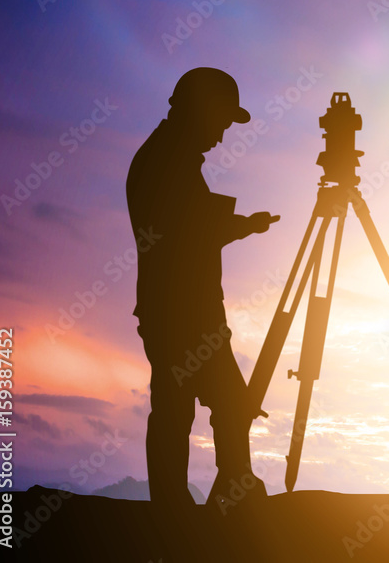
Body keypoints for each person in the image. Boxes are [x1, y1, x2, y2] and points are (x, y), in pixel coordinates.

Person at [127, 67, 279, 509]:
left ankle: (224, 494)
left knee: (218, 405)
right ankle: (189, 509)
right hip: (180, 315)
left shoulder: (170, 158)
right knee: (189, 409)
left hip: (189, 312)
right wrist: (240, 226)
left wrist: (240, 226)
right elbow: (185, 231)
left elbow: (190, 225)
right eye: (222, 121)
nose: (223, 133)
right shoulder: (164, 161)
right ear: (199, 111)